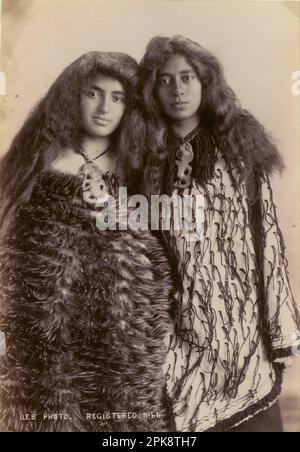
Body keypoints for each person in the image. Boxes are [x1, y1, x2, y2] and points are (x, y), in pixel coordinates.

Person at [0, 51, 172, 432]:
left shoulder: (141, 166)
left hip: (122, 332)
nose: (104, 108)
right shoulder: (36, 161)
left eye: (118, 97)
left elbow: (159, 250)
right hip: (46, 333)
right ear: (72, 96)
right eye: (93, 93)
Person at [139, 35, 300, 432]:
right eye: (165, 80)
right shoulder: (140, 156)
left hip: (243, 330)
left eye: (187, 77)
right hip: (177, 333)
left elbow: (268, 242)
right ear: (152, 89)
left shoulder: (240, 145)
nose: (178, 90)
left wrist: (280, 330)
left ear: (205, 81)